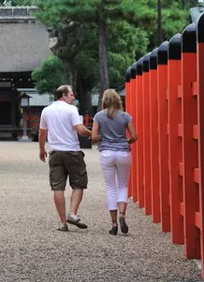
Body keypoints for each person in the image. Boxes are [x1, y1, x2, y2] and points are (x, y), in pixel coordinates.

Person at [39, 85, 92, 231]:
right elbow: (80, 130)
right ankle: (73, 213)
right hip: (72, 152)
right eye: (71, 94)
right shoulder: (71, 109)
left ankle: (62, 222)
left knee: (58, 187)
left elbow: (42, 132)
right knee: (78, 183)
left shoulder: (46, 110)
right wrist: (93, 134)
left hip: (55, 152)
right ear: (63, 95)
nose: (73, 97)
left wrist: (41, 149)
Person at [90, 89, 138, 236]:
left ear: (104, 101)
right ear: (118, 100)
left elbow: (93, 137)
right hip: (123, 152)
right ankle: (122, 215)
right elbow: (134, 136)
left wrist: (104, 137)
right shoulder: (125, 116)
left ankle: (114, 224)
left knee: (111, 187)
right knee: (123, 185)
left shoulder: (99, 116)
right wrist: (125, 141)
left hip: (107, 153)